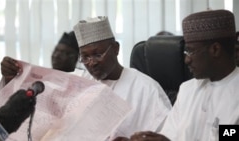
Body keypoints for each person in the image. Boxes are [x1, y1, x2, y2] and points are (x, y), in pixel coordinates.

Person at [123, 9, 239, 141]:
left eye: (191, 51)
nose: (186, 60)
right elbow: (169, 135)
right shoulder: (187, 90)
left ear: (215, 50)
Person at [73, 16, 171, 140]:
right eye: (85, 58)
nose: (92, 63)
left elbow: (167, 135)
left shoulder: (145, 87)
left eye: (98, 55)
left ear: (116, 48)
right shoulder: (80, 84)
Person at [0, 31, 84, 86]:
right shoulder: (41, 78)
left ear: (75, 58)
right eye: (56, 50)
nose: (56, 55)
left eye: (63, 53)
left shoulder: (82, 80)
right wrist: (9, 76)